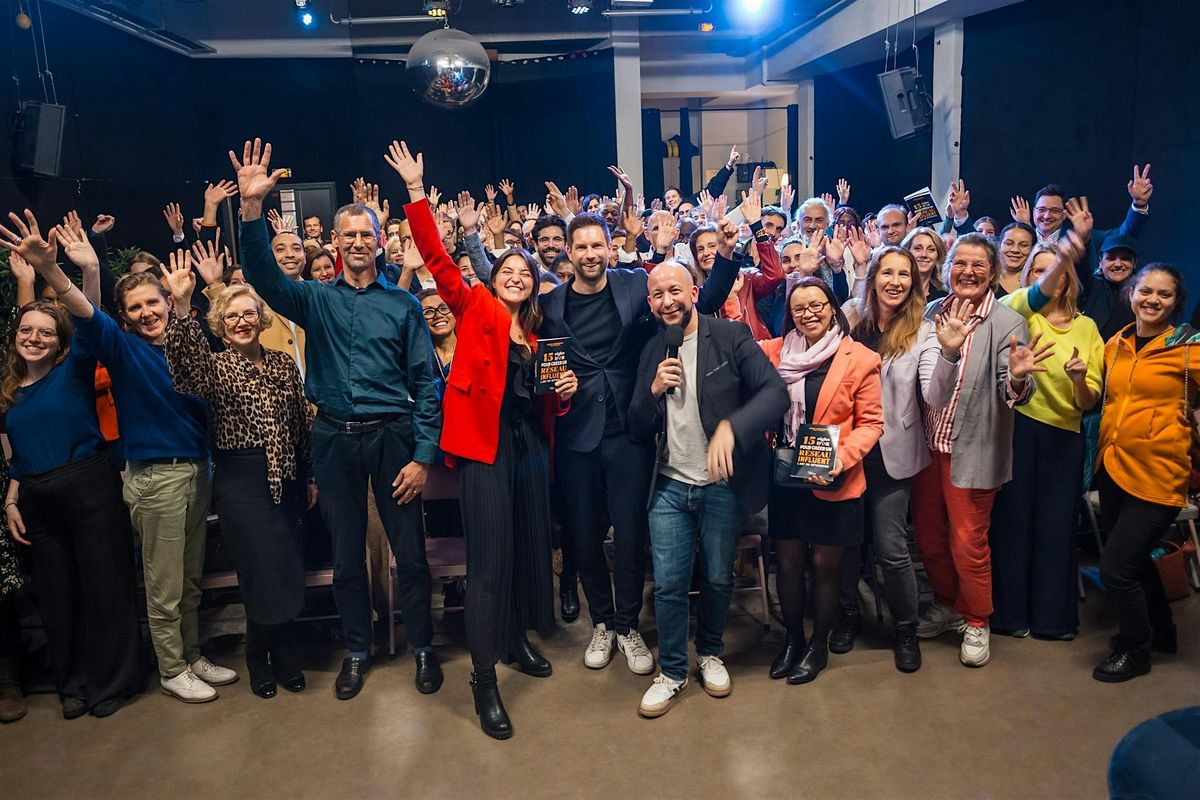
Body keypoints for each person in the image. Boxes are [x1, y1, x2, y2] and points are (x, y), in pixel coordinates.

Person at [230, 138, 443, 701]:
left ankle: (422, 647)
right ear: (335, 240)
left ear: (379, 239)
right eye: (346, 234)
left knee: (412, 556)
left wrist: (423, 456)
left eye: (364, 234)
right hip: (333, 441)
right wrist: (251, 209)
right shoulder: (313, 299)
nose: (355, 242)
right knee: (347, 557)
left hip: (394, 438)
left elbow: (426, 386)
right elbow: (263, 277)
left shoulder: (404, 306)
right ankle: (356, 650)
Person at [4, 212, 235, 702]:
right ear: (124, 315)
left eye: (154, 302)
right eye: (135, 307)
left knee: (190, 578)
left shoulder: (185, 343)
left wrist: (192, 301)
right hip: (156, 479)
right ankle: (172, 668)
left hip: (196, 471)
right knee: (164, 584)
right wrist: (57, 270)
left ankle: (191, 654)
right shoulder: (122, 348)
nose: (147, 312)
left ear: (169, 303)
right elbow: (82, 311)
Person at [389, 140, 576, 740]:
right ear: (496, 280)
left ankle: (517, 639)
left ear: (537, 285)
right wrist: (418, 193)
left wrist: (564, 389)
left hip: (527, 453)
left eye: (527, 272)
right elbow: (439, 260)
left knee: (525, 551)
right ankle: (484, 679)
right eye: (509, 271)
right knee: (489, 565)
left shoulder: (540, 337)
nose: (519, 276)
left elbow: (547, 403)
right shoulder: (475, 309)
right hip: (483, 453)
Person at [539, 203, 741, 677]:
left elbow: (699, 301)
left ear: (611, 249)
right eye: (582, 247)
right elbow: (533, 362)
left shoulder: (636, 286)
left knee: (630, 536)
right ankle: (602, 623)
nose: (590, 254)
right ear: (568, 253)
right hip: (576, 436)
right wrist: (552, 386)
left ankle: (628, 625)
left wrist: (728, 255)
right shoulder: (550, 305)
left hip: (630, 432)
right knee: (584, 536)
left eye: (598, 246)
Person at [628, 261, 787, 718]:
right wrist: (653, 390)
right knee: (670, 584)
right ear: (650, 303)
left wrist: (732, 430)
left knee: (718, 577)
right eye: (657, 295)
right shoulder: (653, 350)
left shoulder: (731, 336)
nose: (667, 302)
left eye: (674, 291)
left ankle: (711, 651)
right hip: (670, 487)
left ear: (694, 292)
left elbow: (774, 393)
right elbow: (637, 426)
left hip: (722, 485)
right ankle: (673, 671)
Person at [161, 256, 315, 699]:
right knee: (258, 570)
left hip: (287, 476)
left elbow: (301, 425)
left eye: (249, 313)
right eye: (232, 316)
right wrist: (183, 306)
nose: (242, 321)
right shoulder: (214, 365)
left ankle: (284, 650)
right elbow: (184, 372)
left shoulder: (284, 364)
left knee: (286, 568)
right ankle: (257, 653)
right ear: (220, 323)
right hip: (240, 481)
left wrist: (310, 477)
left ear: (261, 318)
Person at [0, 285, 142, 718]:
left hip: (88, 484)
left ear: (61, 342)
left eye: (46, 332)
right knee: (57, 596)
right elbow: (20, 454)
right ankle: (74, 683)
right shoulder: (9, 390)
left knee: (106, 587)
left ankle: (110, 683)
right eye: (27, 329)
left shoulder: (74, 367)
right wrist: (11, 499)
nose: (34, 337)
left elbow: (89, 317)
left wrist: (82, 269)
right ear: (16, 335)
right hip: (37, 497)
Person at [912, 232, 1052, 668]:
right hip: (926, 450)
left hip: (971, 450)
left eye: (978, 265)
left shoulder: (1008, 323)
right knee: (930, 540)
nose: (968, 272)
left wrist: (1017, 378)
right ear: (947, 267)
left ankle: (976, 620)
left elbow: (1011, 392)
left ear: (992, 272)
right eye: (960, 264)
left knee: (967, 543)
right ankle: (946, 603)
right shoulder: (933, 312)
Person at [761, 277, 883, 684]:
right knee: (790, 563)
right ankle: (793, 639)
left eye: (816, 305)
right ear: (790, 315)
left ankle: (818, 646)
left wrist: (843, 460)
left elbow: (871, 423)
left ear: (832, 307)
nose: (808, 313)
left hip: (836, 479)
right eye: (799, 308)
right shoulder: (775, 354)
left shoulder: (860, 359)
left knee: (825, 567)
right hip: (786, 477)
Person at [992, 207, 1102, 641]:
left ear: (1071, 277)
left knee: (1056, 528)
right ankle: (1009, 617)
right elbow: (1035, 292)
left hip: (1065, 437)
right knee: (1012, 525)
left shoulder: (1088, 328)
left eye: (1054, 268)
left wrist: (1078, 381)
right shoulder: (1018, 311)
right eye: (1037, 269)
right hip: (1019, 430)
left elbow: (1089, 400)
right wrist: (1067, 251)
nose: (1047, 276)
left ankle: (1053, 620)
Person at [1092, 263, 1196, 682]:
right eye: (1145, 291)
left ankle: (1135, 650)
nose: (1153, 300)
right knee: (1134, 562)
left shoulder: (1189, 348)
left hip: (1160, 472)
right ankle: (1163, 633)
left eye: (1164, 294)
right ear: (1131, 293)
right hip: (1114, 466)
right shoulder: (1114, 345)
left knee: (1116, 570)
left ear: (1176, 301)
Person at [839, 247, 931, 671]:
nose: (895, 281)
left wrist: (948, 354)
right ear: (873, 276)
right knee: (844, 543)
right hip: (844, 448)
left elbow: (933, 393)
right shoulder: (851, 316)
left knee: (892, 547)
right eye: (887, 272)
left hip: (890, 453)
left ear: (914, 283)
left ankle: (906, 628)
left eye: (904, 275)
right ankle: (846, 616)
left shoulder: (924, 331)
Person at [902, 226, 947, 301]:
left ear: (938, 256)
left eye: (931, 250)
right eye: (918, 248)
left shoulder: (942, 299)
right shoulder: (896, 291)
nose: (924, 255)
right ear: (907, 252)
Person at [996, 222, 1036, 296]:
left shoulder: (1037, 282)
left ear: (1033, 249)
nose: (1015, 250)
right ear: (999, 245)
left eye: (1024, 245)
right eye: (1009, 244)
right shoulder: (987, 278)